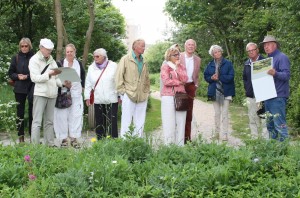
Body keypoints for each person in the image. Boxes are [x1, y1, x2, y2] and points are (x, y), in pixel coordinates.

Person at [29, 38, 63, 146]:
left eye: (50, 50)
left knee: (49, 121)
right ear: (41, 48)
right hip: (40, 94)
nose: (49, 51)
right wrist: (49, 74)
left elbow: (57, 77)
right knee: (37, 121)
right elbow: (34, 78)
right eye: (47, 49)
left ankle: (50, 144)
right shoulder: (34, 60)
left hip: (52, 94)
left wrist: (63, 83)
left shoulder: (52, 61)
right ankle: (35, 145)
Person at [115, 39, 150, 138]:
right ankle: (124, 142)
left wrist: (146, 91)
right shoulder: (125, 59)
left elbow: (147, 78)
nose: (144, 48)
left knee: (140, 121)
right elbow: (118, 76)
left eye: (144, 46)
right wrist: (123, 92)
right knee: (126, 120)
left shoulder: (144, 61)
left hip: (142, 95)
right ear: (134, 47)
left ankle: (137, 142)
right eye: (142, 46)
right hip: (128, 94)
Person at [53, 44, 85, 147]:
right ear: (65, 53)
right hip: (63, 93)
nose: (69, 53)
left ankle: (74, 138)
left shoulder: (79, 64)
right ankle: (63, 139)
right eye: (67, 52)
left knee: (75, 116)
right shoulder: (60, 63)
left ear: (74, 52)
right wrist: (64, 84)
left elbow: (83, 78)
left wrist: (82, 88)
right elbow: (55, 77)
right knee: (61, 116)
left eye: (71, 51)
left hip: (76, 94)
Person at [260, 35, 290, 141]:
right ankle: (273, 153)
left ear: (275, 45)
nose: (266, 47)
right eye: (264, 45)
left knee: (280, 126)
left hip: (278, 96)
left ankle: (285, 154)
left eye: (268, 44)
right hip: (268, 96)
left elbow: (286, 75)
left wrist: (275, 73)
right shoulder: (267, 60)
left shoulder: (282, 57)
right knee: (270, 126)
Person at [85, 48, 118, 140]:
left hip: (111, 98)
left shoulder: (113, 66)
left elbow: (118, 81)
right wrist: (87, 97)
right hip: (98, 99)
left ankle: (114, 141)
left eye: (97, 56)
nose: (95, 58)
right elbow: (88, 83)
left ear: (104, 57)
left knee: (112, 121)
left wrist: (120, 95)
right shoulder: (91, 67)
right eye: (94, 56)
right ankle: (100, 140)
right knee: (99, 121)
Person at [204, 45, 235, 141]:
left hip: (226, 91)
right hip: (214, 92)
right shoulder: (209, 64)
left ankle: (225, 134)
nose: (217, 53)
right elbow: (206, 76)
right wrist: (211, 78)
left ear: (221, 52)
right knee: (217, 113)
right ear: (212, 54)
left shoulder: (228, 63)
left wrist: (219, 77)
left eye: (218, 51)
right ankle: (217, 134)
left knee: (225, 113)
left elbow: (231, 76)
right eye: (215, 52)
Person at [7, 38, 34, 143]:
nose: (24, 48)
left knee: (32, 112)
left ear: (29, 46)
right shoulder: (16, 57)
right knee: (20, 113)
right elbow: (11, 73)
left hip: (32, 86)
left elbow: (38, 72)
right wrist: (18, 76)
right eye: (22, 46)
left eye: (26, 46)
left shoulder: (34, 57)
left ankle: (33, 136)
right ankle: (21, 137)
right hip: (19, 88)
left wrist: (26, 76)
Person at [161, 47, 188, 146]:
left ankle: (180, 146)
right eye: (175, 55)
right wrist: (178, 82)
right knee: (169, 122)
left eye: (178, 54)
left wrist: (177, 68)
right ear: (169, 56)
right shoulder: (165, 66)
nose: (177, 56)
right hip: (168, 97)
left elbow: (185, 79)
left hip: (181, 96)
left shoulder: (181, 66)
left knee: (181, 122)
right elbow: (166, 81)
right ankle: (169, 146)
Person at [243, 42, 268, 139]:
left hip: (263, 96)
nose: (251, 52)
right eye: (249, 51)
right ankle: (255, 139)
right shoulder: (246, 63)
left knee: (264, 118)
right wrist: (247, 89)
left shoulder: (265, 61)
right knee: (252, 118)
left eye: (253, 50)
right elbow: (245, 78)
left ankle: (265, 140)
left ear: (257, 50)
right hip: (251, 96)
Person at [179, 39, 201, 144]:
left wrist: (196, 85)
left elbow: (197, 75)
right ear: (185, 46)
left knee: (189, 114)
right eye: (189, 44)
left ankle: (187, 139)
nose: (191, 46)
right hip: (180, 87)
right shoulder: (178, 56)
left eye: (193, 45)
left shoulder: (197, 59)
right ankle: (178, 139)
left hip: (191, 86)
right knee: (179, 112)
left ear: (195, 47)